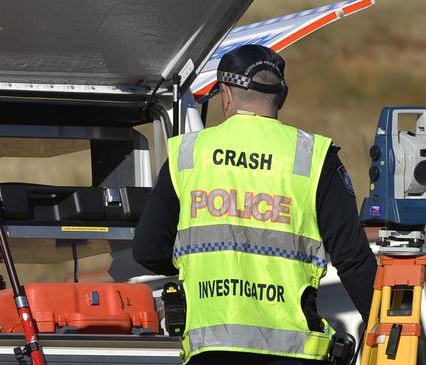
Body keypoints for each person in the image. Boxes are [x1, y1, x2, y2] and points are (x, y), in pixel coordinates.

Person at [133, 45, 377, 365]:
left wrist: (201, 264)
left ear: (226, 95)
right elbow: (354, 261)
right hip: (295, 352)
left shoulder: (188, 155)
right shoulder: (314, 156)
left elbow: (148, 251)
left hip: (212, 350)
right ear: (281, 97)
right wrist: (387, 333)